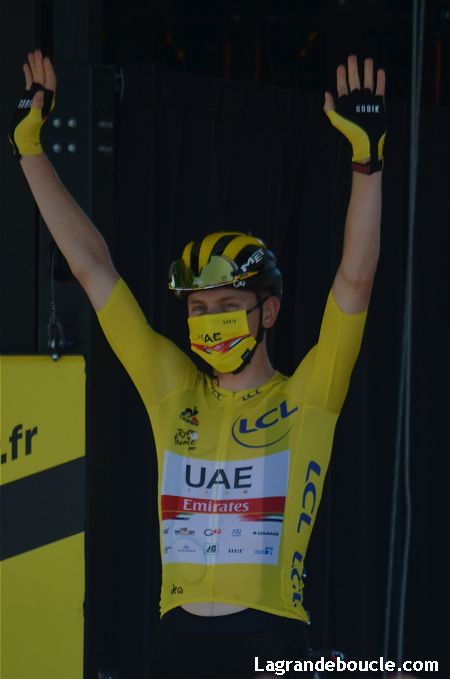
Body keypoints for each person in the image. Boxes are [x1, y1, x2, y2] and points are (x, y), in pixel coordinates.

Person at [9, 50, 385, 679]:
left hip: (272, 642)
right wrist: (28, 150)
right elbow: (92, 267)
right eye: (198, 307)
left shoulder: (308, 396)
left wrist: (367, 164)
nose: (210, 319)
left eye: (228, 305)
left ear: (268, 311)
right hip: (175, 642)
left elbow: (355, 280)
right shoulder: (173, 389)